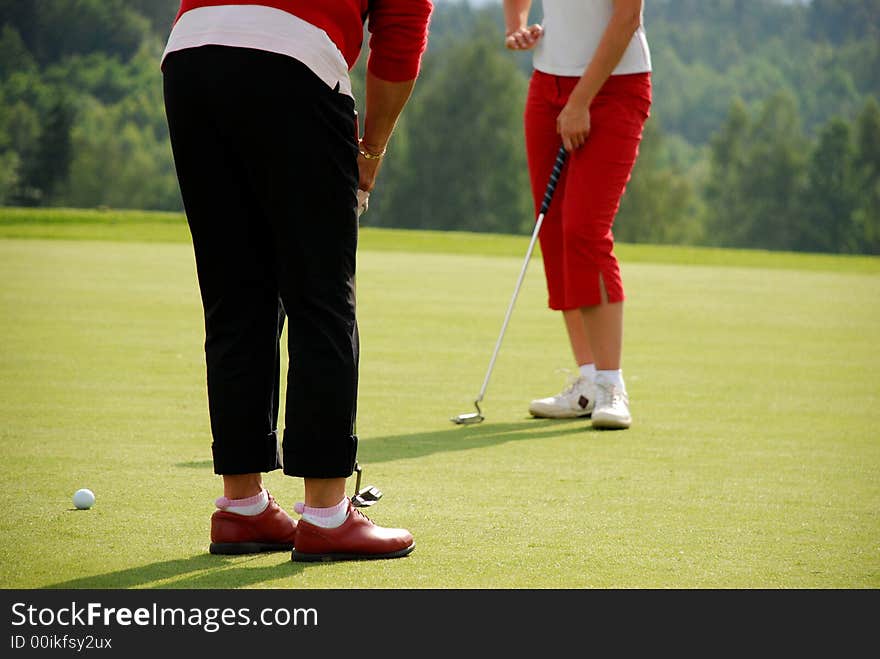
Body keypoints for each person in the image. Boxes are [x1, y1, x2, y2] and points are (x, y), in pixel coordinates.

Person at [161, 0, 433, 561]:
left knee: (236, 294)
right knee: (321, 297)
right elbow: (401, 37)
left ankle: (242, 509)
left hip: (192, 55)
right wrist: (372, 149)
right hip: (294, 63)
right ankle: (329, 515)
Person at [503, 0, 651, 430]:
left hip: (615, 89)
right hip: (547, 85)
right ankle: (587, 382)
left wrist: (580, 101)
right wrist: (517, 25)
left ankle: (611, 385)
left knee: (586, 230)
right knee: (556, 232)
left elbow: (627, 19)